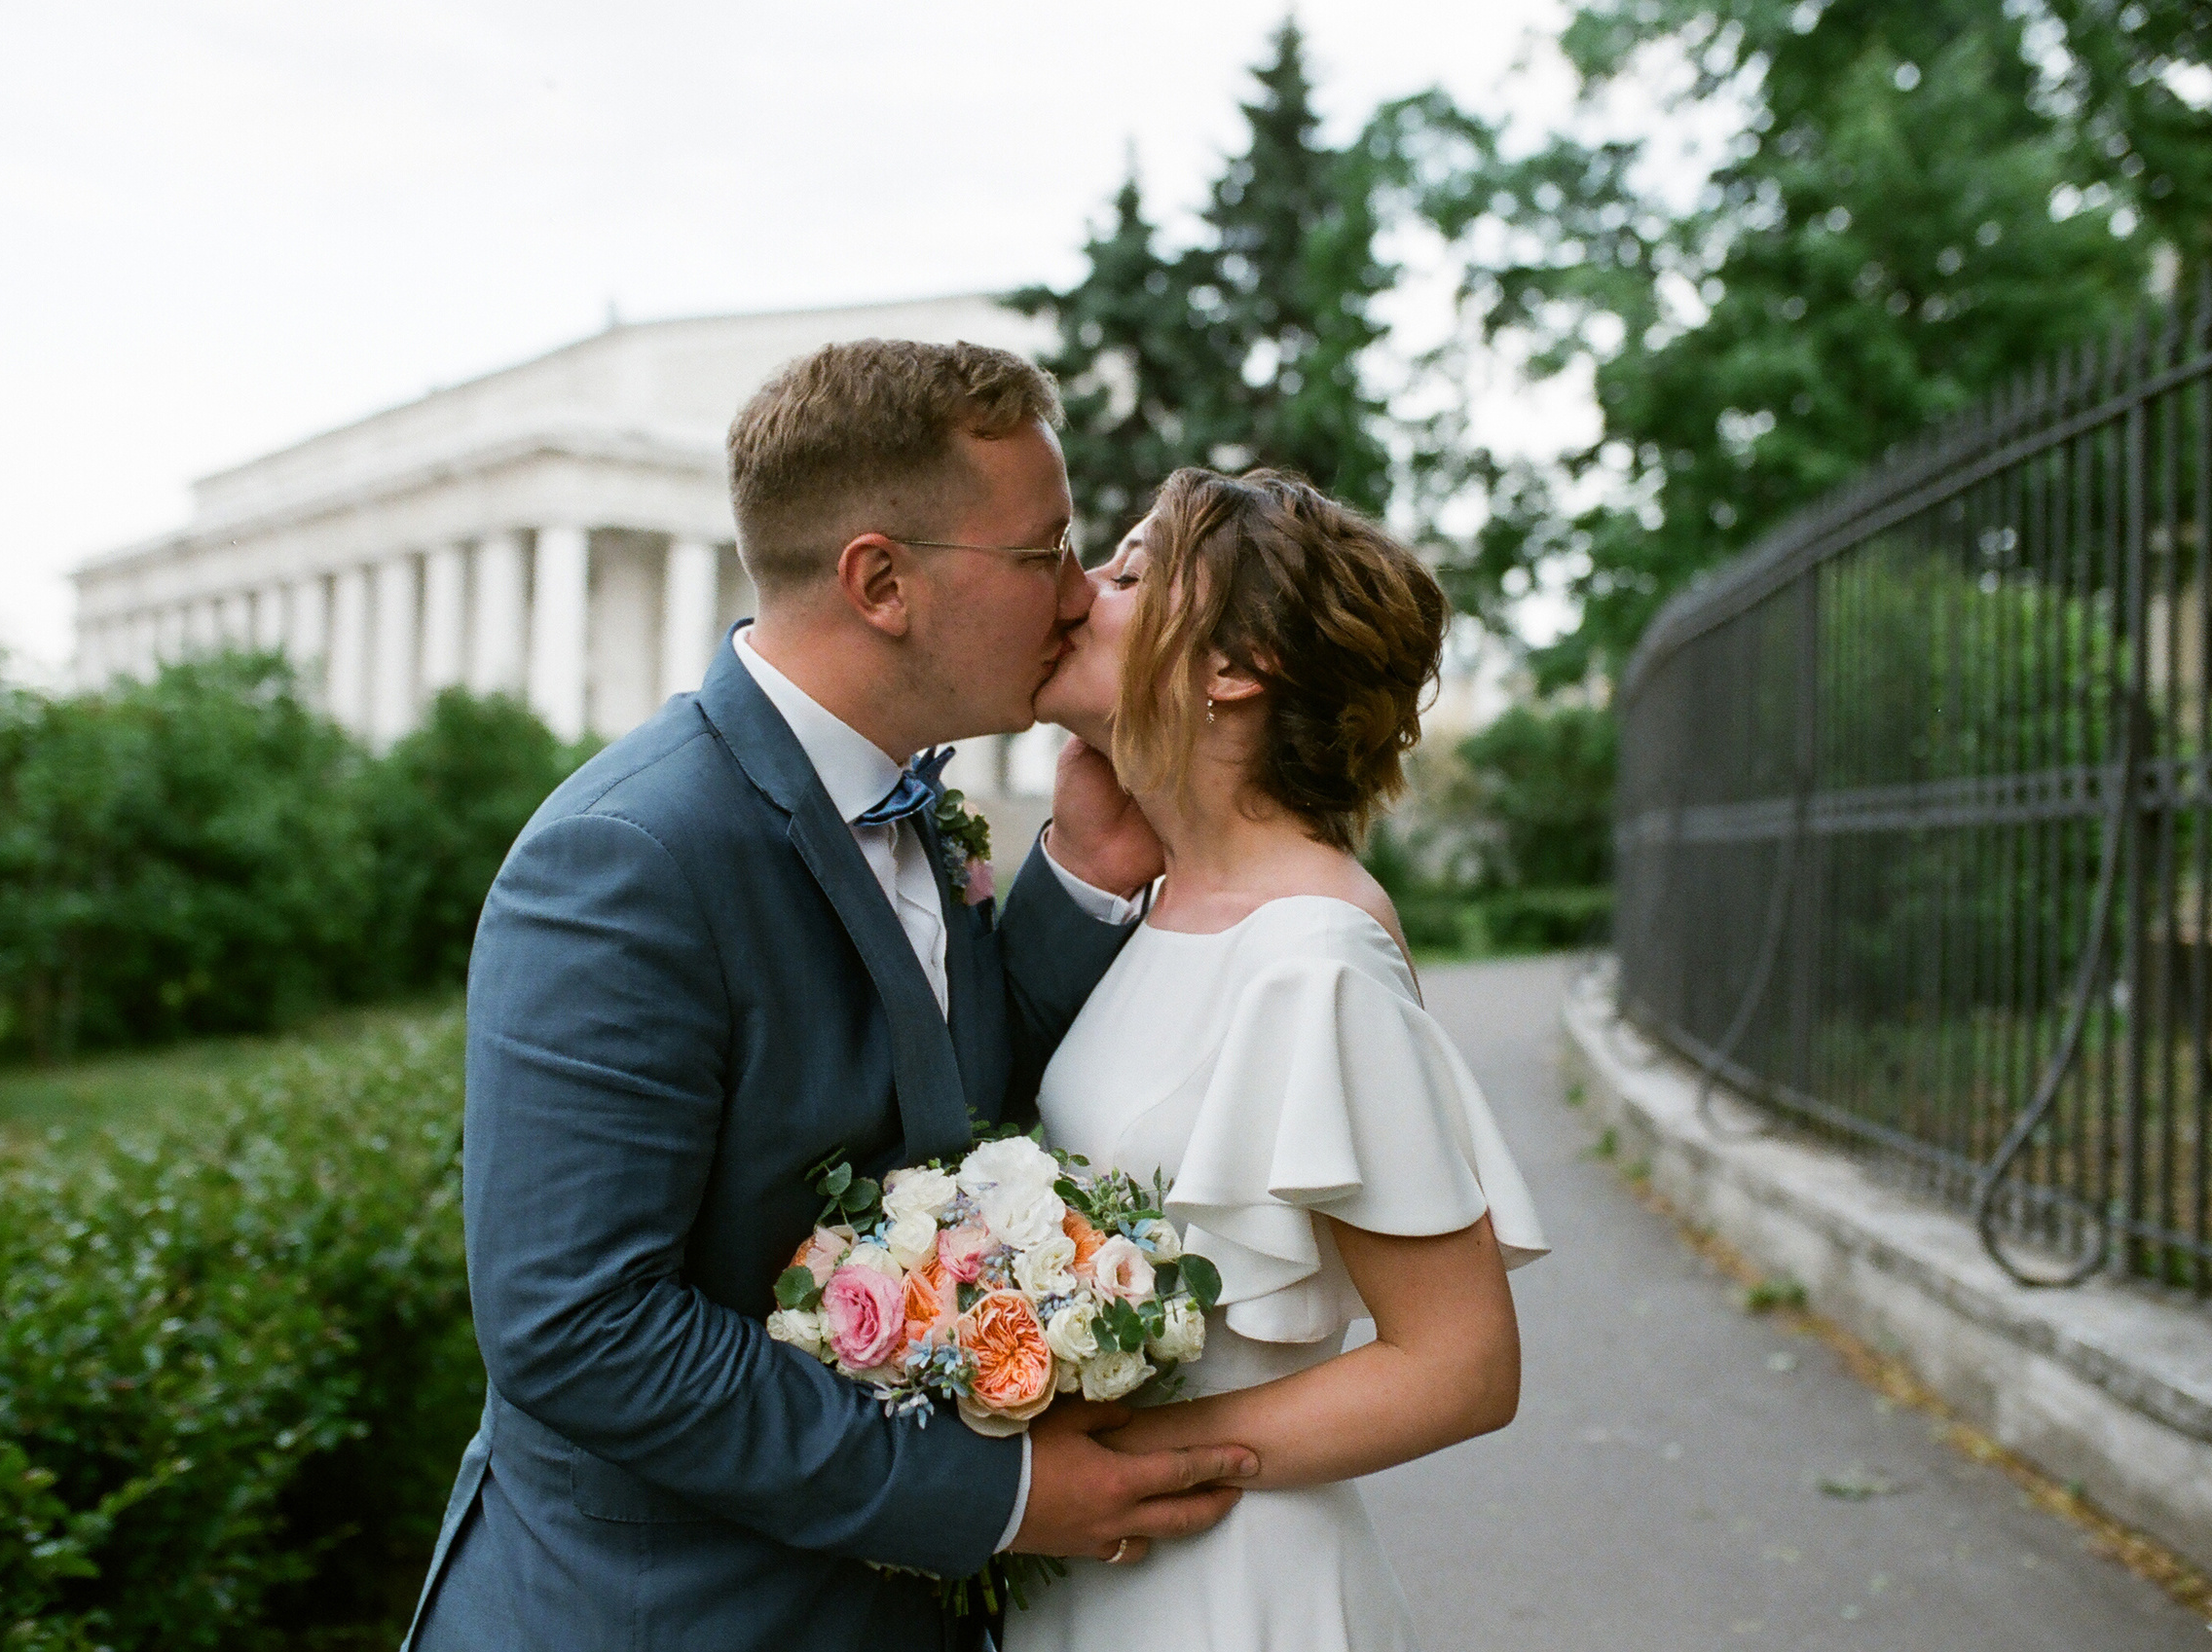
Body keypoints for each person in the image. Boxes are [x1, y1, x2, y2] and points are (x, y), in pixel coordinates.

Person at [403, 342, 1258, 1652]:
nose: (1081, 595)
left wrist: (1084, 869)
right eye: (1045, 552)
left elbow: (936, 1108)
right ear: (882, 582)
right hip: (658, 1620)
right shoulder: (627, 859)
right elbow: (580, 1328)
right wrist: (999, 1491)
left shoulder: (915, 803)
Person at [1009, 468, 1548, 1651]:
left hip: (1224, 1587)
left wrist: (1103, 1462)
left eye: (1134, 571)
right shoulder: (1169, 904)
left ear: (1232, 667)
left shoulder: (1315, 954)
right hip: (1097, 1571)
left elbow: (1459, 1365)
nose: (1078, 590)